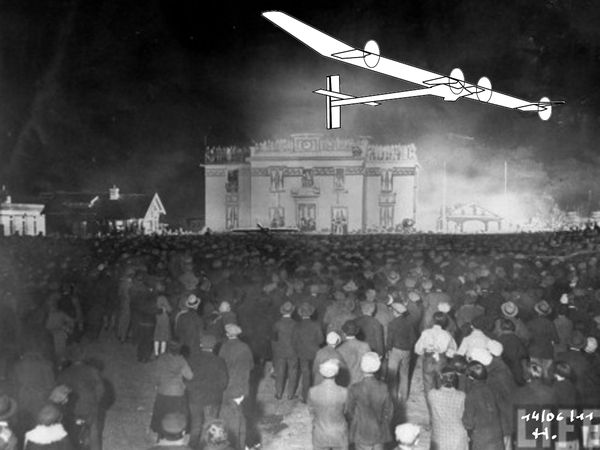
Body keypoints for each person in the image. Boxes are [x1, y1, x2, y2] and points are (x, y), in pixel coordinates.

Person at [57, 345, 105, 450]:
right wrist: (94, 401)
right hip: (89, 407)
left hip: (72, 409)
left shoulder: (65, 373)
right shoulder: (92, 371)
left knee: (71, 434)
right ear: (83, 356)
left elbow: (59, 393)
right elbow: (100, 389)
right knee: (94, 433)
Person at [186, 334, 228, 449]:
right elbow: (224, 382)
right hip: (213, 398)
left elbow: (185, 378)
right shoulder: (219, 361)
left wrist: (192, 390)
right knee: (212, 426)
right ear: (214, 346)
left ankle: (192, 447)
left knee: (196, 425)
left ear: (200, 345)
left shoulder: (191, 359)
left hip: (195, 398)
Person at [346, 352, 394, 450]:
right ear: (377, 367)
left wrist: (357, 421)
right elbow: (389, 411)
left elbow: (349, 411)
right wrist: (382, 424)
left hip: (361, 433)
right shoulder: (384, 387)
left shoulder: (354, 388)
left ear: (362, 367)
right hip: (379, 434)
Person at [218, 324, 253, 450]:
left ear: (227, 334)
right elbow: (251, 365)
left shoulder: (224, 347)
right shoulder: (245, 347)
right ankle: (241, 445)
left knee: (227, 417)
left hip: (226, 387)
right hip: (240, 388)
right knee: (240, 418)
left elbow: (220, 366)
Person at [150, 341, 193, 438]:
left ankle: (160, 436)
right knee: (175, 415)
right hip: (177, 392)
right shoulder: (181, 360)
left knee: (161, 414)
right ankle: (175, 435)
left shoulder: (162, 359)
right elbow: (189, 376)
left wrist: (157, 384)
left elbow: (157, 375)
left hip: (163, 390)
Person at [307, 359, 349, 450]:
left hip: (320, 433)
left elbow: (311, 411)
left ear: (322, 373)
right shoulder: (344, 392)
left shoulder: (312, 391)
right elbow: (346, 411)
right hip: (339, 434)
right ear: (336, 373)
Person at [462, 361, 504, 450]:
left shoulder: (471, 395)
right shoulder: (493, 389)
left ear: (471, 378)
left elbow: (469, 424)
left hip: (482, 440)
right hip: (497, 437)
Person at [414, 312, 457, 397]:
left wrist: (426, 350)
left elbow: (417, 350)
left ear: (432, 321)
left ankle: (431, 409)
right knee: (442, 386)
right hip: (441, 361)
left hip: (428, 360)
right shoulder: (447, 334)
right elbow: (454, 351)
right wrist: (446, 354)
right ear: (445, 322)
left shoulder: (426, 333)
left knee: (428, 388)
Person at [427, 368, 468, 450]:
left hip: (440, 439)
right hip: (458, 438)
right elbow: (461, 414)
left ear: (441, 379)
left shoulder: (432, 394)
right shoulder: (462, 396)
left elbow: (432, 385)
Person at [292, 302, 324, 402]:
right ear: (311, 313)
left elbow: (293, 342)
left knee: (305, 375)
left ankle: (305, 397)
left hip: (302, 353)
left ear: (300, 313)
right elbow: (321, 340)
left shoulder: (297, 326)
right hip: (315, 353)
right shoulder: (316, 325)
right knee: (316, 374)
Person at [386, 302, 417, 403]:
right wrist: (408, 349)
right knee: (404, 374)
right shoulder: (409, 323)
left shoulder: (392, 323)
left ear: (396, 312)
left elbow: (389, 340)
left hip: (395, 350)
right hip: (407, 351)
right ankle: (403, 397)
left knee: (392, 374)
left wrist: (388, 350)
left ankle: (392, 397)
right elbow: (413, 339)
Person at [271, 302, 298, 400]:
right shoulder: (295, 324)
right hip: (293, 352)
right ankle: (290, 395)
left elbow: (274, 340)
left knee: (280, 372)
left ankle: (278, 393)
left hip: (280, 352)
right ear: (292, 311)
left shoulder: (277, 324)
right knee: (293, 372)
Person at [337, 320, 371, 387]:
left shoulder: (340, 349)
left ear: (344, 332)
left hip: (346, 384)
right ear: (356, 332)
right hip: (361, 383)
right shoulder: (365, 346)